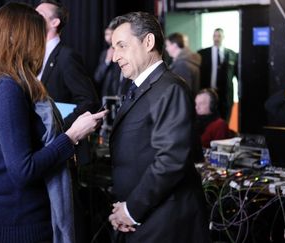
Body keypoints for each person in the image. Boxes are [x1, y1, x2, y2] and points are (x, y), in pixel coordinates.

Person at [0, 3, 106, 242]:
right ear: (20, 38)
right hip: (20, 224)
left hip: (9, 217)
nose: (40, 44)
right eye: (36, 36)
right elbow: (23, 171)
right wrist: (71, 136)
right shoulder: (7, 88)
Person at [108, 12, 210, 243]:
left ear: (148, 42)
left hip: (165, 222)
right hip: (144, 218)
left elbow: (171, 160)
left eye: (122, 46)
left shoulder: (169, 88)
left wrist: (131, 210)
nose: (115, 57)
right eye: (114, 48)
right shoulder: (142, 87)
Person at [35, 0, 99, 130]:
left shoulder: (66, 56)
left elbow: (89, 101)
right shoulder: (32, 54)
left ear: (55, 22)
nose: (32, 18)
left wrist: (61, 127)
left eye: (39, 15)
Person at [198, 28, 238, 121]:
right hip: (209, 91)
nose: (216, 38)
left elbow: (237, 75)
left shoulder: (232, 54)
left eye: (219, 36)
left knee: (225, 120)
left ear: (223, 37)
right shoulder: (203, 53)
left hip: (226, 94)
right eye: (214, 36)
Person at [94, 27, 130, 98]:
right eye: (107, 34)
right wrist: (107, 60)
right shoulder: (104, 54)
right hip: (107, 95)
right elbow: (97, 77)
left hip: (123, 94)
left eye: (112, 34)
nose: (109, 37)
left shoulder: (125, 52)